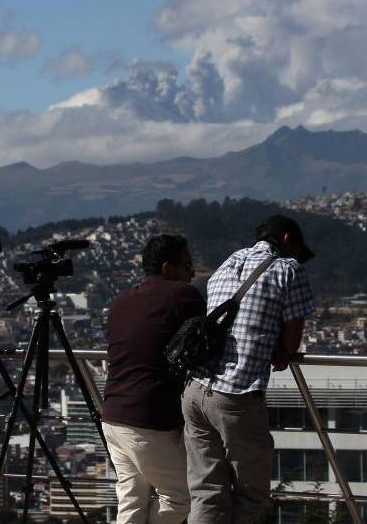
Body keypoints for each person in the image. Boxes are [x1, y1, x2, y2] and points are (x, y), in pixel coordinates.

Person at [182, 215, 315, 524]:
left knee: (206, 491)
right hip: (237, 393)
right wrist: (281, 351)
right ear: (286, 241)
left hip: (195, 389)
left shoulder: (228, 263)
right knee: (252, 493)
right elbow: (293, 337)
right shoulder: (288, 269)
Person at [103, 234, 206, 524]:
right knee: (180, 496)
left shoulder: (120, 302)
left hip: (113, 415)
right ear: (167, 268)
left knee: (131, 499)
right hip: (148, 417)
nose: (192, 274)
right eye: (186, 266)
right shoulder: (182, 296)